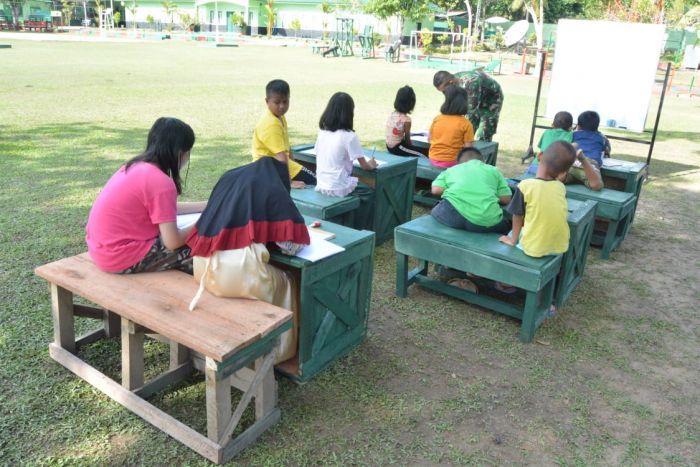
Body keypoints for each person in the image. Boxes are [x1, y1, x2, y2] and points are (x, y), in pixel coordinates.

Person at [186, 157, 311, 362]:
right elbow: (290, 247)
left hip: (202, 267)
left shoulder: (230, 178)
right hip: (236, 273)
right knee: (288, 281)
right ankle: (278, 351)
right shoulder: (272, 188)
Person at [85, 117, 207, 274]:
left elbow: (164, 210)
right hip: (121, 257)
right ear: (179, 152)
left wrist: (207, 205)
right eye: (188, 151)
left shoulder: (134, 166)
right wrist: (207, 221)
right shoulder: (161, 182)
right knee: (205, 253)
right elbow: (173, 242)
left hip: (101, 250)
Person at [499, 141, 577, 258]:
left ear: (539, 156)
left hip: (533, 248)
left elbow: (517, 216)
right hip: (559, 247)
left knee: (510, 233)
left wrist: (512, 240)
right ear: (563, 172)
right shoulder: (561, 188)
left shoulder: (525, 186)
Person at [314, 92, 378, 229]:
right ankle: (361, 228)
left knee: (354, 187)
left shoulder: (322, 132)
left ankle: (350, 220)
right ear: (350, 113)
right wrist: (372, 164)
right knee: (368, 193)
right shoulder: (349, 136)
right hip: (337, 184)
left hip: (321, 181)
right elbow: (365, 166)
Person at [431, 147, 512, 234]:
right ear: (483, 161)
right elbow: (506, 199)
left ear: (458, 163)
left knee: (438, 207)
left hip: (451, 216)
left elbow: (436, 190)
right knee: (507, 223)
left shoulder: (452, 169)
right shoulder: (493, 170)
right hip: (484, 222)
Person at [252, 79, 316, 188]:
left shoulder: (279, 116)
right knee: (315, 181)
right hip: (268, 168)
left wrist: (295, 164)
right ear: (267, 101)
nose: (281, 106)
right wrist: (289, 183)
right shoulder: (271, 124)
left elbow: (287, 147)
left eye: (285, 101)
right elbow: (281, 157)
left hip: (276, 165)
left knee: (313, 178)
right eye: (277, 102)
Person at [433, 69, 503, 142]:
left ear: (451, 83)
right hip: (476, 95)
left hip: (491, 99)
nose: (445, 93)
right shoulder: (452, 82)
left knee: (484, 131)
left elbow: (471, 111)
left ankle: (481, 149)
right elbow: (452, 106)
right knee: (465, 128)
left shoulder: (470, 83)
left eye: (444, 91)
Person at [428, 85, 474, 168]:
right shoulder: (466, 124)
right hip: (453, 162)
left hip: (433, 159)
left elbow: (429, 139)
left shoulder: (437, 119)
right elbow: (468, 149)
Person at [385, 85, 429, 158]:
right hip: (397, 148)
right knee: (426, 153)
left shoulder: (392, 114)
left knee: (421, 150)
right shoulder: (406, 119)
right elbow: (408, 140)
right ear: (411, 103)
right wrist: (412, 148)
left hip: (389, 146)